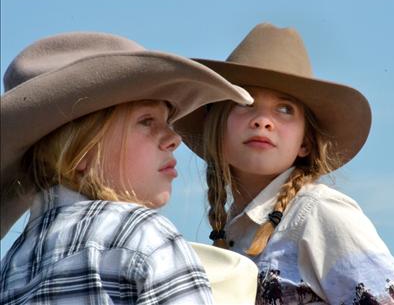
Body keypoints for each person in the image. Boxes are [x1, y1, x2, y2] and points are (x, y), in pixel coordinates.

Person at [176, 23, 394, 304]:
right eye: (245, 102)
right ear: (215, 128)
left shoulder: (319, 213)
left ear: (305, 143)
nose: (263, 120)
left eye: (285, 109)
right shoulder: (233, 235)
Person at [0, 31, 254, 304]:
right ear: (81, 151)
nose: (174, 138)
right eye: (147, 121)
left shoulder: (11, 266)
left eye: (168, 122)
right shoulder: (142, 233)